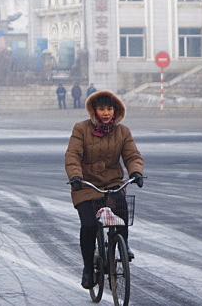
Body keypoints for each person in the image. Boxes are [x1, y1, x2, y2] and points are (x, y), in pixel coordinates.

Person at [65, 90, 144, 290]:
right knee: (90, 226)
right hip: (86, 186)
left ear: (115, 110)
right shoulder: (81, 129)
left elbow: (132, 156)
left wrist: (136, 172)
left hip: (112, 183)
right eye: (101, 108)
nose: (106, 112)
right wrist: (75, 176)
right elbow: (73, 155)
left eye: (109, 108)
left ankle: (123, 244)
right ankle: (88, 269)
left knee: (122, 210)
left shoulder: (123, 132)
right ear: (94, 110)